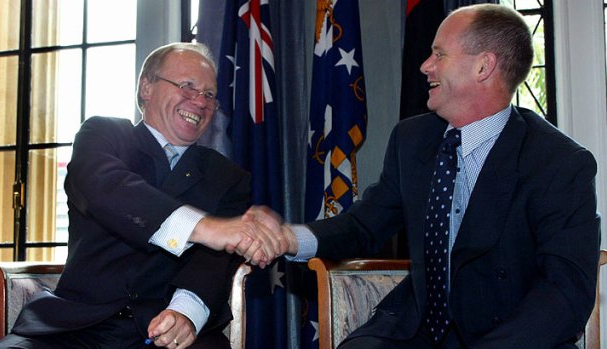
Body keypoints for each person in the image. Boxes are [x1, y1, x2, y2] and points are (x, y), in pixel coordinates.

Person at [243, 4, 601, 349]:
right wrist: (290, 238)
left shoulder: (559, 163)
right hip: (413, 329)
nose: (425, 66)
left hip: (508, 332)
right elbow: (362, 228)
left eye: (439, 54)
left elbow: (565, 292)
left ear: (483, 66)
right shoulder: (412, 140)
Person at [0, 42, 279, 349]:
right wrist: (205, 228)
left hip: (167, 330)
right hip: (75, 328)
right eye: (187, 86)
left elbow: (213, 262)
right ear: (146, 87)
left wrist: (185, 313)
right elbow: (109, 190)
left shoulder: (227, 177)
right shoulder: (103, 135)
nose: (200, 101)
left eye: (209, 94)